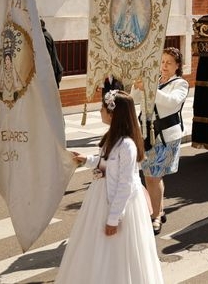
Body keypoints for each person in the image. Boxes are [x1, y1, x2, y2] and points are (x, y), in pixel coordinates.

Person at [56, 90, 163, 283]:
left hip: (119, 204)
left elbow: (125, 184)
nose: (100, 111)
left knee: (119, 249)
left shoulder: (127, 146)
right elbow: (105, 161)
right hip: (102, 197)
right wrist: (86, 160)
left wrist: (113, 219)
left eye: (102, 108)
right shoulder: (111, 138)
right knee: (96, 245)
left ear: (113, 114)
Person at [131, 47, 189, 234]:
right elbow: (133, 99)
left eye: (169, 63)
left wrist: (150, 87)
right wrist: (137, 85)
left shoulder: (180, 84)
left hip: (165, 136)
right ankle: (159, 210)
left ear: (177, 66)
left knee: (154, 176)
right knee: (150, 175)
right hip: (147, 134)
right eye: (162, 62)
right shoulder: (153, 81)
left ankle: (155, 216)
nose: (164, 66)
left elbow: (171, 103)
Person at [41, 19, 63, 87]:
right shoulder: (46, 35)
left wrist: (50, 76)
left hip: (53, 74)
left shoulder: (44, 37)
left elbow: (49, 58)